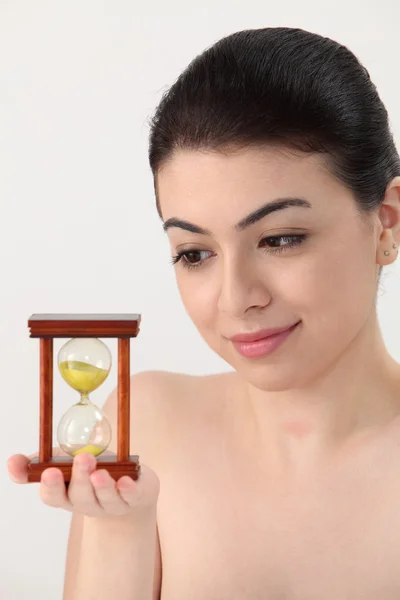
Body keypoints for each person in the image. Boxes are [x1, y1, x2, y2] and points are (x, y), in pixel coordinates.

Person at [8, 25, 400, 599]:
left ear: (386, 222)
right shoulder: (145, 425)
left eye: (281, 239)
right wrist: (120, 529)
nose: (235, 297)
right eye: (195, 253)